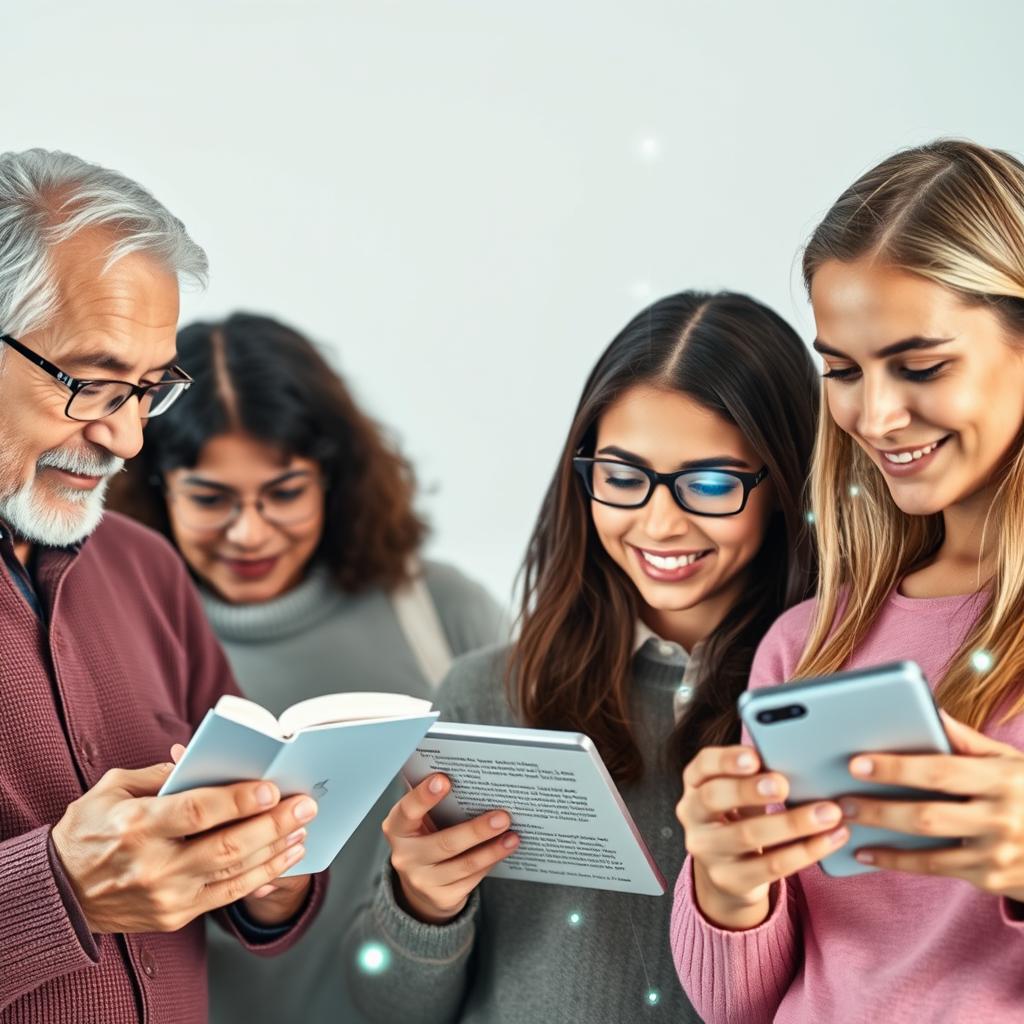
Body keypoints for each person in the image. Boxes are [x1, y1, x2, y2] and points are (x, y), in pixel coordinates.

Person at [344, 290, 819, 1023]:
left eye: (713, 483)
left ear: (786, 484)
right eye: (624, 478)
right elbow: (387, 1006)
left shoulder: (824, 703)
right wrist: (422, 905)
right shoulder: (487, 695)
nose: (659, 523)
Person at [672, 140, 1024, 1023]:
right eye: (842, 370)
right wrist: (725, 885)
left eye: (922, 365)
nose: (874, 414)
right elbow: (735, 1008)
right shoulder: (807, 643)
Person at [107, 311, 508, 1024]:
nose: (250, 532)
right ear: (154, 484)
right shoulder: (112, 632)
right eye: (210, 498)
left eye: (284, 492)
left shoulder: (441, 608)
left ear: (334, 478)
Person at [0, 150, 325, 1024]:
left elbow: (247, 901)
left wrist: (265, 868)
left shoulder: (144, 566)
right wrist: (55, 890)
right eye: (93, 383)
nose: (129, 439)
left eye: (148, 389)